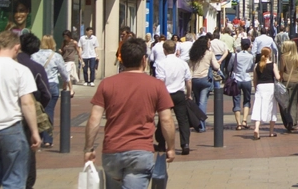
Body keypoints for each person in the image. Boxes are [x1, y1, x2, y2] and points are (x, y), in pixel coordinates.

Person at [83, 37, 177, 189]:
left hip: (112, 150)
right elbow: (166, 120)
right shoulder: (157, 86)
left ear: (122, 60)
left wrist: (88, 148)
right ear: (144, 60)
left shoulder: (107, 84)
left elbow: (94, 118)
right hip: (140, 151)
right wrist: (171, 147)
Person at [0, 30, 42, 189]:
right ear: (17, 47)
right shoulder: (20, 70)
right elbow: (27, 103)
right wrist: (34, 132)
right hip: (10, 127)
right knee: (14, 178)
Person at [28, 37, 65, 149]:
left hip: (38, 86)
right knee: (49, 111)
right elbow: (64, 72)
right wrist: (68, 84)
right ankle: (48, 140)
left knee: (37, 111)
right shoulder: (56, 56)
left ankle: (37, 136)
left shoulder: (34, 55)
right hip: (52, 85)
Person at [156, 41, 192, 155]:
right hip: (179, 93)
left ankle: (162, 144)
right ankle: (185, 144)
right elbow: (189, 81)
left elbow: (160, 81)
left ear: (164, 50)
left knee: (163, 119)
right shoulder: (182, 63)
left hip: (165, 94)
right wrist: (189, 94)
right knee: (183, 120)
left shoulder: (161, 64)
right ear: (176, 49)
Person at [250, 47, 279, 138]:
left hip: (260, 87)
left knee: (258, 107)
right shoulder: (273, 65)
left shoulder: (257, 65)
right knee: (271, 108)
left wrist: (256, 88)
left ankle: (256, 128)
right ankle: (271, 131)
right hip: (270, 87)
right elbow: (277, 77)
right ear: (269, 54)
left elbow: (255, 79)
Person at [185, 37, 212, 133]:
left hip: (194, 80)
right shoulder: (209, 54)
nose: (210, 44)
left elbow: (190, 69)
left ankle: (197, 124)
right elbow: (216, 66)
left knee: (197, 101)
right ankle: (202, 125)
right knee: (202, 103)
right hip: (204, 80)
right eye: (209, 42)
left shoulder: (193, 54)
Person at [278, 41, 298, 133]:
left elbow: (282, 70)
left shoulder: (283, 57)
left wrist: (279, 78)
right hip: (297, 81)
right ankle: (294, 123)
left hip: (286, 81)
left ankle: (288, 122)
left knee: (283, 103)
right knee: (294, 103)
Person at [230, 39, 255, 131]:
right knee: (247, 100)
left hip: (236, 79)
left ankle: (238, 123)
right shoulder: (251, 56)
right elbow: (252, 68)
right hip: (247, 79)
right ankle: (244, 120)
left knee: (236, 100)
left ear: (241, 45)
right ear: (249, 46)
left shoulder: (235, 55)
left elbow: (230, 67)